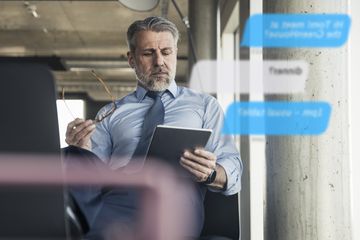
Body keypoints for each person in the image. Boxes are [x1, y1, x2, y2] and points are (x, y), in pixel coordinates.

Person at [65, 16, 242, 239]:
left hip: (175, 202)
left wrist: (212, 173)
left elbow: (233, 167)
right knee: (68, 157)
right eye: (148, 53)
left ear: (175, 54)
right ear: (132, 60)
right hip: (118, 203)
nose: (159, 62)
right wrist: (80, 150)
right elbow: (92, 179)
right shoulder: (110, 114)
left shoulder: (205, 106)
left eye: (166, 52)